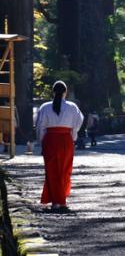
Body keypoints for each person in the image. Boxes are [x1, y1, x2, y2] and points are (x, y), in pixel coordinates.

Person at [36, 81, 83, 212]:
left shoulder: (45, 107)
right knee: (65, 170)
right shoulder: (72, 107)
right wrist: (73, 137)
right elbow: (78, 123)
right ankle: (61, 200)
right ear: (65, 92)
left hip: (50, 140)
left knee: (51, 171)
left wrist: (42, 142)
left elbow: (40, 127)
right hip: (66, 140)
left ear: (53, 91)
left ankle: (56, 201)